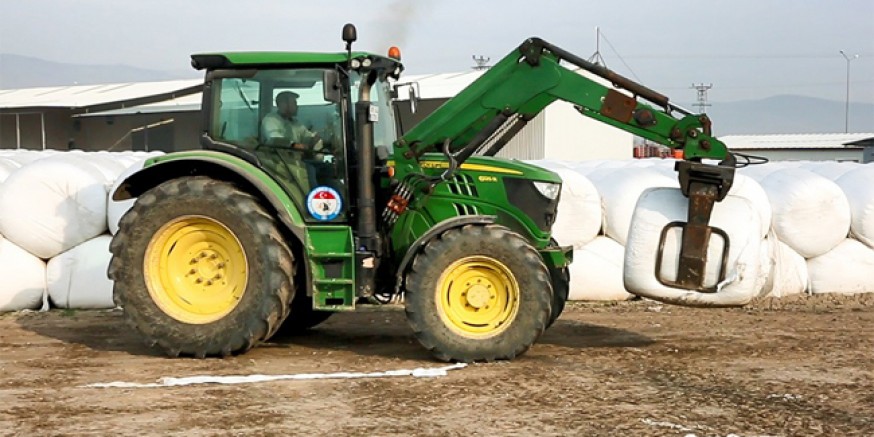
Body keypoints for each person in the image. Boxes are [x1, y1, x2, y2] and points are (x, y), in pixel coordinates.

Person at [261, 91, 333, 188]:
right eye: (294, 103)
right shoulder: (271, 120)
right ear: (283, 104)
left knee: (326, 168)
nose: (297, 106)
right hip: (279, 162)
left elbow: (307, 137)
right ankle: (312, 199)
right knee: (309, 169)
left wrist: (321, 140)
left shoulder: (294, 122)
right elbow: (275, 140)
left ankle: (332, 198)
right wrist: (295, 145)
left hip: (295, 161)